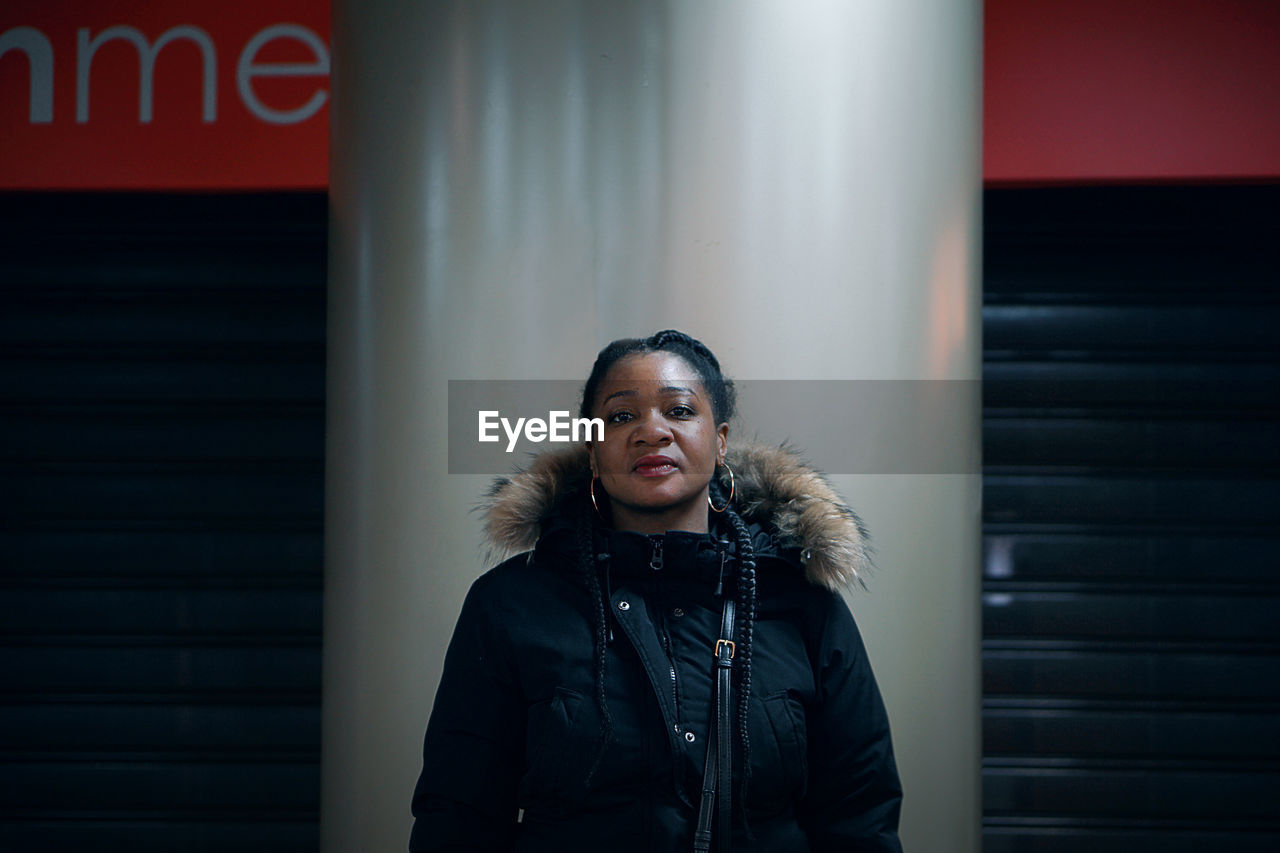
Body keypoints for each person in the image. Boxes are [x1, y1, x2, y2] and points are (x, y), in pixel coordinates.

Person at [409, 330, 903, 852]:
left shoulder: (799, 602)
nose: (652, 431)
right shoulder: (511, 604)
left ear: (721, 439)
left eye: (680, 411)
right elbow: (459, 814)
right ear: (593, 449)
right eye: (622, 417)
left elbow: (859, 813)